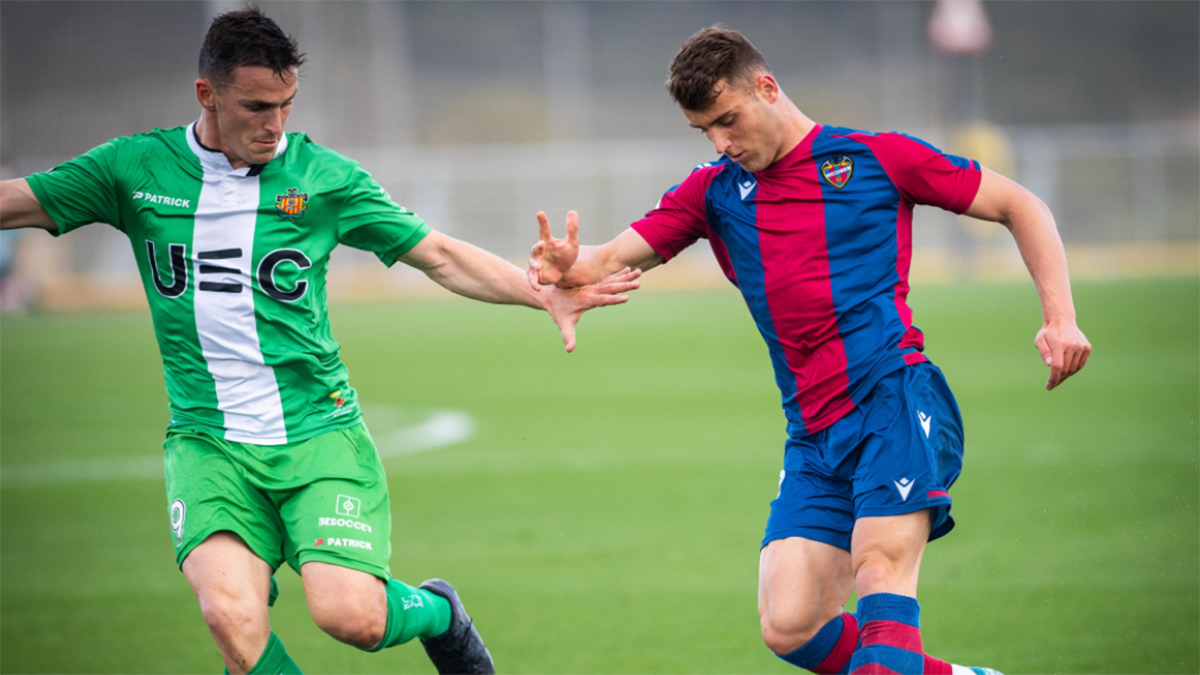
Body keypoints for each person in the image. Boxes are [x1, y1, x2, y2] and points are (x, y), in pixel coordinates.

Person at [0, 8, 641, 675]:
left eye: (285, 105)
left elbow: (441, 254)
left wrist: (542, 292)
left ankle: (441, 612)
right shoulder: (133, 169)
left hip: (317, 434)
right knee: (230, 617)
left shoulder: (323, 178)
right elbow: (15, 200)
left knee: (350, 617)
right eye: (255, 106)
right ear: (206, 94)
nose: (273, 124)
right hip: (207, 441)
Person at [528, 27, 1090, 675]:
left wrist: (1061, 316)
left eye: (728, 120)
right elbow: (605, 259)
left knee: (880, 584)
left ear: (767, 88)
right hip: (813, 432)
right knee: (791, 623)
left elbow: (1021, 203)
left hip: (893, 401)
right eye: (703, 130)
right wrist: (567, 267)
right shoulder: (714, 191)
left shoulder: (878, 159)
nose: (721, 142)